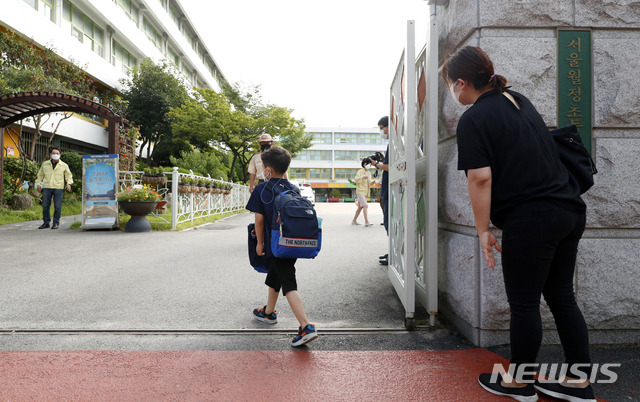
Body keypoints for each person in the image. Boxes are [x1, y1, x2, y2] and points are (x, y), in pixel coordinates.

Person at [442, 46, 594, 402]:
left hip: (533, 217)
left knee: (524, 303)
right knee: (561, 297)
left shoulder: (475, 119)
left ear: (462, 82)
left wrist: (483, 230)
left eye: (451, 84)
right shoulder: (517, 99)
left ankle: (518, 382)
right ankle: (578, 382)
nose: (452, 91)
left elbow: (480, 178)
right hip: (568, 208)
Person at [245, 146, 318, 347]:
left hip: (274, 243)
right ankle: (268, 313)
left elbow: (259, 221)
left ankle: (306, 326)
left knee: (287, 281)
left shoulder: (262, 189)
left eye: (263, 168)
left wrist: (259, 243)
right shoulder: (293, 188)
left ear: (267, 170)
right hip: (291, 241)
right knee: (276, 274)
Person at [35, 147, 73, 230]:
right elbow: (40, 174)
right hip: (47, 187)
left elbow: (68, 175)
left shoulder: (64, 165)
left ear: (60, 155)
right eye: (53, 153)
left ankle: (56, 223)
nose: (55, 155)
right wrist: (38, 184)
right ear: (50, 154)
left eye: (57, 153)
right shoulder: (45, 164)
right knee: (45, 206)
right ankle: (46, 223)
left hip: (58, 187)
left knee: (57, 207)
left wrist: (69, 184)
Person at [376, 116, 390, 265]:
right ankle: (392, 252)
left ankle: (394, 253)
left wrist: (376, 164)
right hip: (387, 187)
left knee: (389, 222)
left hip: (390, 189)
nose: (382, 131)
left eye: (382, 128)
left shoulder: (394, 143)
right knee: (388, 222)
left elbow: (389, 167)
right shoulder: (393, 144)